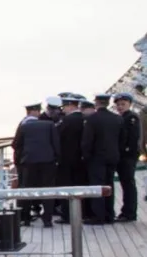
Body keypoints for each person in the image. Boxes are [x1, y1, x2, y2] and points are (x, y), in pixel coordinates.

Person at [11, 99, 60, 227]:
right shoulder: (49, 125)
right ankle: (47, 219)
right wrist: (55, 158)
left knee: (27, 189)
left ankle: (25, 218)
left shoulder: (24, 126)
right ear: (37, 111)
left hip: (28, 162)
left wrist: (21, 159)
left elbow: (15, 144)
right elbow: (56, 144)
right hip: (48, 162)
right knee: (48, 189)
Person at [82, 93, 123, 224]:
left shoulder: (92, 119)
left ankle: (98, 216)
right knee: (109, 185)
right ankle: (109, 215)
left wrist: (86, 155)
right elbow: (122, 139)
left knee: (97, 186)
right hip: (113, 156)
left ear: (96, 103)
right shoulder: (117, 119)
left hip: (97, 157)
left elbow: (87, 140)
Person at [54, 93, 86, 223]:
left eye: (64, 107)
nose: (63, 110)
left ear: (71, 106)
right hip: (81, 159)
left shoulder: (67, 120)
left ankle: (67, 215)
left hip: (66, 159)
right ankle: (82, 213)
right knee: (80, 186)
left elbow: (57, 136)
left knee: (66, 187)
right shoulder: (85, 119)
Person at [113, 91, 140, 221]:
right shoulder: (121, 117)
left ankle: (129, 213)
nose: (120, 107)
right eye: (118, 104)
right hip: (122, 155)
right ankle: (126, 211)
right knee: (125, 184)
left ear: (129, 104)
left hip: (128, 156)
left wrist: (125, 151)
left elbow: (133, 139)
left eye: (123, 104)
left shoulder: (131, 118)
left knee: (128, 184)